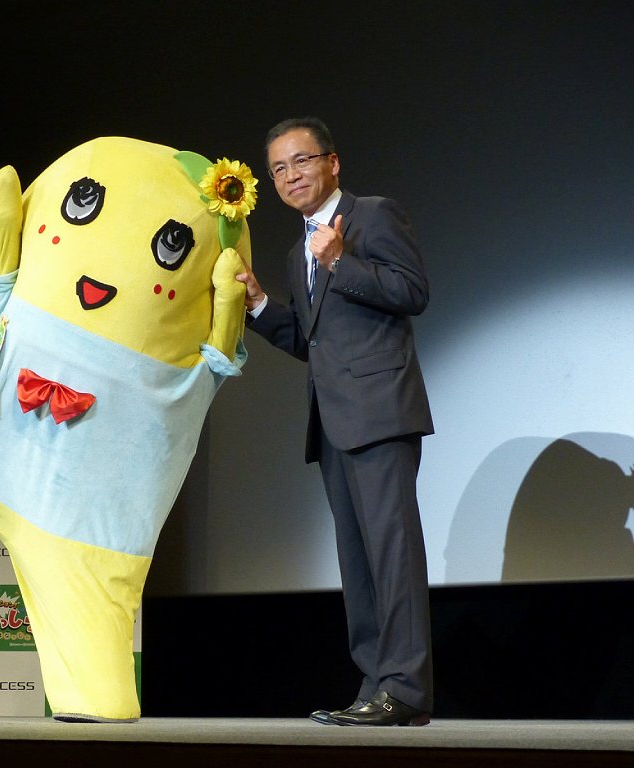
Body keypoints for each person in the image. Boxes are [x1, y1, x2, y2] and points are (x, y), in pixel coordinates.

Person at [236, 116, 434, 726]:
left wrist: (342, 261)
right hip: (332, 423)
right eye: (279, 169)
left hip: (380, 414)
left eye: (301, 161)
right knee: (358, 561)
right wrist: (259, 304)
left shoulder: (371, 216)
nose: (291, 176)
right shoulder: (298, 249)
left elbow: (412, 291)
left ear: (332, 162)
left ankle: (405, 689)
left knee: (393, 556)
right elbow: (311, 339)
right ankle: (375, 686)